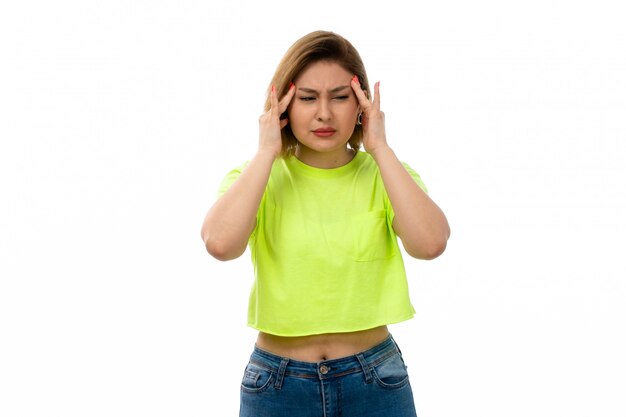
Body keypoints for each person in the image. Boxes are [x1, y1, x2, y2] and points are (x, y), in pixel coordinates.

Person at [201, 30, 450, 417]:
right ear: (281, 103)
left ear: (361, 104)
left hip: (375, 378)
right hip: (276, 381)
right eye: (306, 98)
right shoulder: (255, 176)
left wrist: (380, 147)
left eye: (339, 97)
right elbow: (219, 244)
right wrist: (267, 150)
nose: (324, 114)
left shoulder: (387, 175)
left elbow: (431, 244)